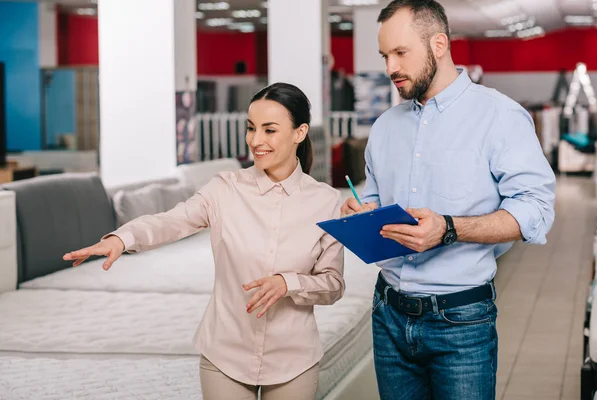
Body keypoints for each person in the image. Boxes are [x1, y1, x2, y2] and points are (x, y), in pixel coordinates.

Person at [64, 82, 345, 400]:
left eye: (269, 130)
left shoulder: (326, 201)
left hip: (294, 358)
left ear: (300, 132)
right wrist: (122, 238)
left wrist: (288, 284)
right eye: (251, 128)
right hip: (225, 352)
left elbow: (333, 285)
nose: (256, 141)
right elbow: (172, 221)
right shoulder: (225, 188)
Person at [341, 1, 556, 399]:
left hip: (461, 322)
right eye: (385, 55)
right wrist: (361, 212)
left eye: (401, 53)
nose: (390, 68)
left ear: (439, 44)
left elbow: (536, 211)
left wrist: (450, 229)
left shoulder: (500, 116)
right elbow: (372, 197)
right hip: (387, 314)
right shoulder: (385, 127)